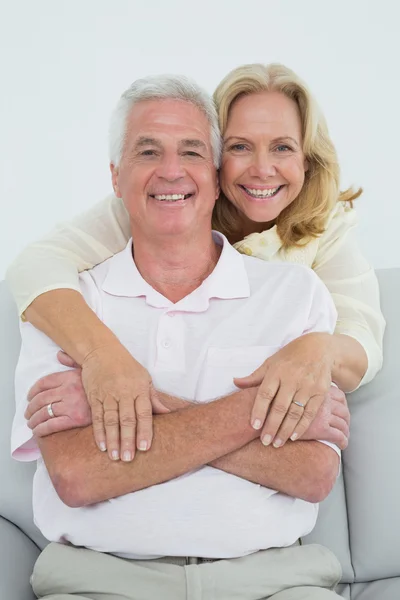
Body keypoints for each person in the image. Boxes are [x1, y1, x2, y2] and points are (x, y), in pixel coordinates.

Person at [12, 73, 349, 600]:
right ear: (115, 176)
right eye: (148, 152)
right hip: (100, 583)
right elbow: (77, 477)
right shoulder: (67, 307)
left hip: (273, 583)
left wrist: (139, 405)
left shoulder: (296, 294)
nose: (171, 171)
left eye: (191, 152)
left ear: (215, 177)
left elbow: (312, 475)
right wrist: (255, 412)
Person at [6, 63, 385, 462]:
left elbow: (362, 341)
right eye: (240, 146)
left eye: (282, 147)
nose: (261, 168)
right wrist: (105, 359)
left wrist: (317, 350)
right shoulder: (163, 203)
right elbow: (36, 265)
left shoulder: (327, 227)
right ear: (215, 159)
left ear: (308, 159)